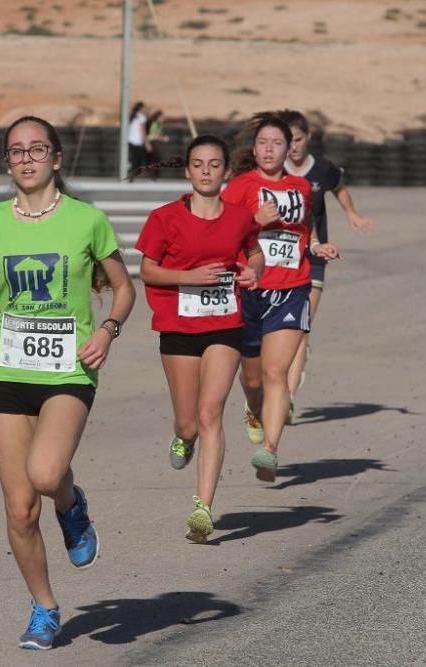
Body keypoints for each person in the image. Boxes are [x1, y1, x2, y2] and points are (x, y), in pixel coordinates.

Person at [0, 115, 135, 650]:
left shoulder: (86, 221)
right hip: (8, 370)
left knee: (45, 471)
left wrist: (107, 331)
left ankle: (71, 505)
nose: (28, 158)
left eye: (38, 149)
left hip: (69, 369)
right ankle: (44, 607)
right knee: (18, 508)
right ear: (8, 162)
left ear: (57, 158)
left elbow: (126, 290)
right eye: (17, 151)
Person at [135, 135, 263, 542]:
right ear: (187, 170)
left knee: (211, 414)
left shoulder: (241, 217)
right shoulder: (164, 218)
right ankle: (182, 436)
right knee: (190, 422)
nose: (206, 172)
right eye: (198, 164)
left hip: (224, 324)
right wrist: (188, 277)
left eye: (214, 165)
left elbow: (254, 252)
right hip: (178, 328)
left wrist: (252, 270)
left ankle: (203, 508)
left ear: (227, 171)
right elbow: (148, 271)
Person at [221, 113, 339, 482]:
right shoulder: (240, 187)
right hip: (250, 291)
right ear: (253, 149)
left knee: (276, 373)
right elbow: (220, 233)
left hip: (292, 289)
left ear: (289, 148)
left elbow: (307, 227)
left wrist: (317, 246)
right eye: (262, 143)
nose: (269, 149)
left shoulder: (301, 188)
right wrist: (255, 219)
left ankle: (270, 450)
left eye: (276, 143)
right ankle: (253, 410)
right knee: (252, 380)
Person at [281, 110, 373, 420]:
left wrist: (352, 214)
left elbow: (340, 188)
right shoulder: (272, 172)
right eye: (287, 141)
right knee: (281, 330)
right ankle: (288, 366)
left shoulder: (322, 169)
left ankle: (288, 397)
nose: (292, 147)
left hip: (315, 256)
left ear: (307, 138)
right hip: (279, 259)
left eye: (297, 139)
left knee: (300, 327)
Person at [145, 110, 169, 180]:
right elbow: (153, 135)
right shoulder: (155, 124)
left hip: (156, 144)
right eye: (161, 117)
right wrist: (163, 138)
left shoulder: (160, 125)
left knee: (157, 160)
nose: (163, 119)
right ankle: (153, 176)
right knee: (155, 160)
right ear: (158, 117)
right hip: (152, 143)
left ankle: (155, 176)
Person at [127, 101, 148, 179]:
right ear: (142, 108)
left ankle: (130, 172)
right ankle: (131, 174)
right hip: (137, 141)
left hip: (130, 140)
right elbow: (143, 131)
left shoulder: (132, 115)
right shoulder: (141, 117)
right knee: (137, 160)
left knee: (134, 159)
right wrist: (146, 143)